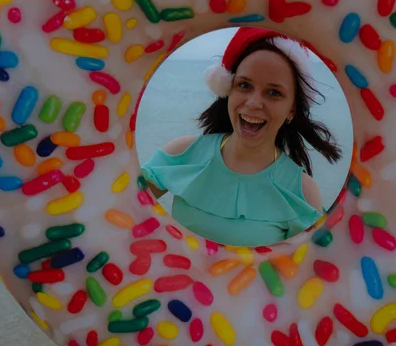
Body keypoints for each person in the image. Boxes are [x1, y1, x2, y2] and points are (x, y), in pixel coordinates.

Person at [141, 27, 342, 247]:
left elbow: (304, 269)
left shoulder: (302, 191)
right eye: (244, 85)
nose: (254, 102)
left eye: (274, 92)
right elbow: (127, 208)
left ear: (291, 110)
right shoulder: (183, 153)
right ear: (229, 90)